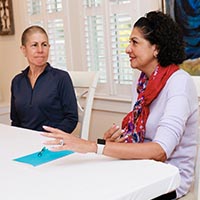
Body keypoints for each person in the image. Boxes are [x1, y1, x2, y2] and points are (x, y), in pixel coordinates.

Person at [41, 11, 199, 199]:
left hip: (169, 180)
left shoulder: (178, 83)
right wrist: (112, 141)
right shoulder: (141, 82)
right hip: (141, 168)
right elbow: (140, 135)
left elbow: (159, 151)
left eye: (135, 42)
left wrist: (94, 146)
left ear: (156, 48)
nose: (127, 49)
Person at [10, 25, 78, 133]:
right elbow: (15, 121)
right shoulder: (17, 82)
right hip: (24, 142)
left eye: (44, 45)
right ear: (24, 50)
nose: (40, 50)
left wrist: (51, 137)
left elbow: (71, 119)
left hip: (52, 142)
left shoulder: (61, 78)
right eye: (34, 45)